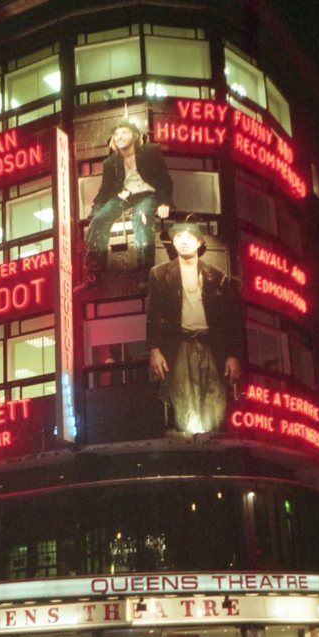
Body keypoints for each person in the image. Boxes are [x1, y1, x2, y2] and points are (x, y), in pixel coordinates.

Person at [146, 216, 243, 434]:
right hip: (179, 344)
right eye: (178, 236)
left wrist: (233, 354)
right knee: (183, 400)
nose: (183, 240)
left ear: (199, 243)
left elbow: (231, 320)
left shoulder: (217, 277)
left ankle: (213, 450)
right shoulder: (160, 274)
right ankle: (191, 446)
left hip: (211, 344)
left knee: (215, 400)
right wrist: (154, 349)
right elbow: (154, 315)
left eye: (189, 236)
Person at [86, 118, 173, 288]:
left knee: (141, 219)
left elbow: (165, 180)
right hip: (124, 196)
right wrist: (94, 213)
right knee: (99, 220)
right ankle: (95, 272)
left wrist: (165, 203)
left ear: (134, 135)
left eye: (124, 132)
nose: (120, 136)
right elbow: (104, 191)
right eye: (116, 134)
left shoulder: (150, 151)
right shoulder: (110, 163)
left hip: (147, 193)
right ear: (113, 141)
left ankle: (146, 273)